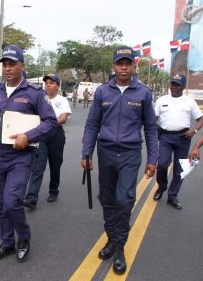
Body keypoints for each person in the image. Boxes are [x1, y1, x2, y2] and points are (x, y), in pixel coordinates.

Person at [0, 45, 57, 263]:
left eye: (12, 64)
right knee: (0, 204)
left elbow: (51, 122)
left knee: (12, 201)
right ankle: (7, 242)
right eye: (5, 65)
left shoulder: (35, 94)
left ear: (22, 66)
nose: (7, 69)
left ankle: (24, 238)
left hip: (21, 156)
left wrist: (28, 136)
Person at [81, 46, 158, 275]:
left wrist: (152, 158)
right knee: (107, 198)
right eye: (119, 63)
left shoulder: (143, 93)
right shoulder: (103, 92)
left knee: (124, 200)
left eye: (127, 63)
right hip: (105, 152)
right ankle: (111, 237)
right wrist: (87, 152)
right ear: (113, 66)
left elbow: (151, 129)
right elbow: (92, 124)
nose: (123, 67)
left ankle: (120, 246)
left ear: (134, 66)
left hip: (130, 153)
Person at [153, 74, 203, 209]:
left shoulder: (189, 101)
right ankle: (161, 187)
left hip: (183, 138)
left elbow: (200, 119)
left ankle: (172, 196)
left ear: (183, 86)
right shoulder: (161, 100)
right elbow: (153, 119)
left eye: (178, 85)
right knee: (162, 164)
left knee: (180, 169)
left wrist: (194, 131)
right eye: (173, 84)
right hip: (165, 137)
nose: (174, 87)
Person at [24, 74, 71, 210]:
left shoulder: (62, 100)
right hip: (41, 136)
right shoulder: (40, 99)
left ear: (58, 85)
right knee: (38, 167)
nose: (48, 85)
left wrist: (47, 124)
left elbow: (63, 118)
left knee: (55, 165)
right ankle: (31, 197)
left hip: (56, 135)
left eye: (51, 83)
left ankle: (53, 190)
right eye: (46, 83)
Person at [188, 0, 203, 75]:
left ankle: (200, 68)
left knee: (200, 41)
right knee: (194, 40)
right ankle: (192, 66)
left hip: (200, 16)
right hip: (194, 17)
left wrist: (195, 11)